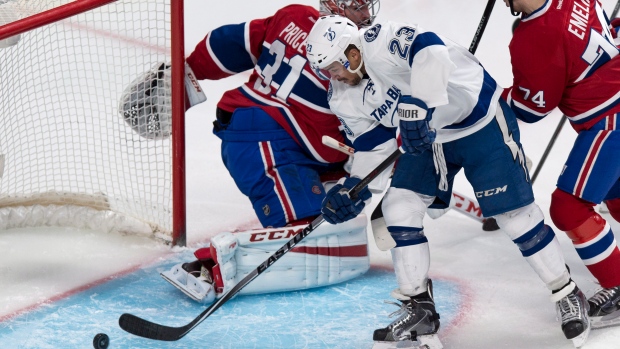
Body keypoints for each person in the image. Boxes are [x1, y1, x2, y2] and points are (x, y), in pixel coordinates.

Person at [306, 15, 591, 348]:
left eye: (334, 66)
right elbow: (374, 148)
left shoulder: (381, 40)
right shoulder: (342, 95)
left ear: (353, 53)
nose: (333, 76)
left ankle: (567, 293)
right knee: (399, 208)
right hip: (427, 138)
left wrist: (421, 105)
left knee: (515, 218)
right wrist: (354, 188)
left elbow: (432, 52)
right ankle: (419, 309)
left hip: (478, 120)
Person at [119, 1, 382, 305]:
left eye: (367, 6)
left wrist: (192, 67)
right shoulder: (358, 61)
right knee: (307, 231)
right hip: (261, 140)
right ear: (334, 7)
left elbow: (232, 43)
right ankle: (208, 265)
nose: (366, 15)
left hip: (298, 146)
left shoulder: (295, 17)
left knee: (337, 218)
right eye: (357, 7)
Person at [503, 0, 620, 329]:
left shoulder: (533, 35)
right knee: (614, 194)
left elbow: (531, 109)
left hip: (610, 121)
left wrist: (489, 97)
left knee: (569, 207)